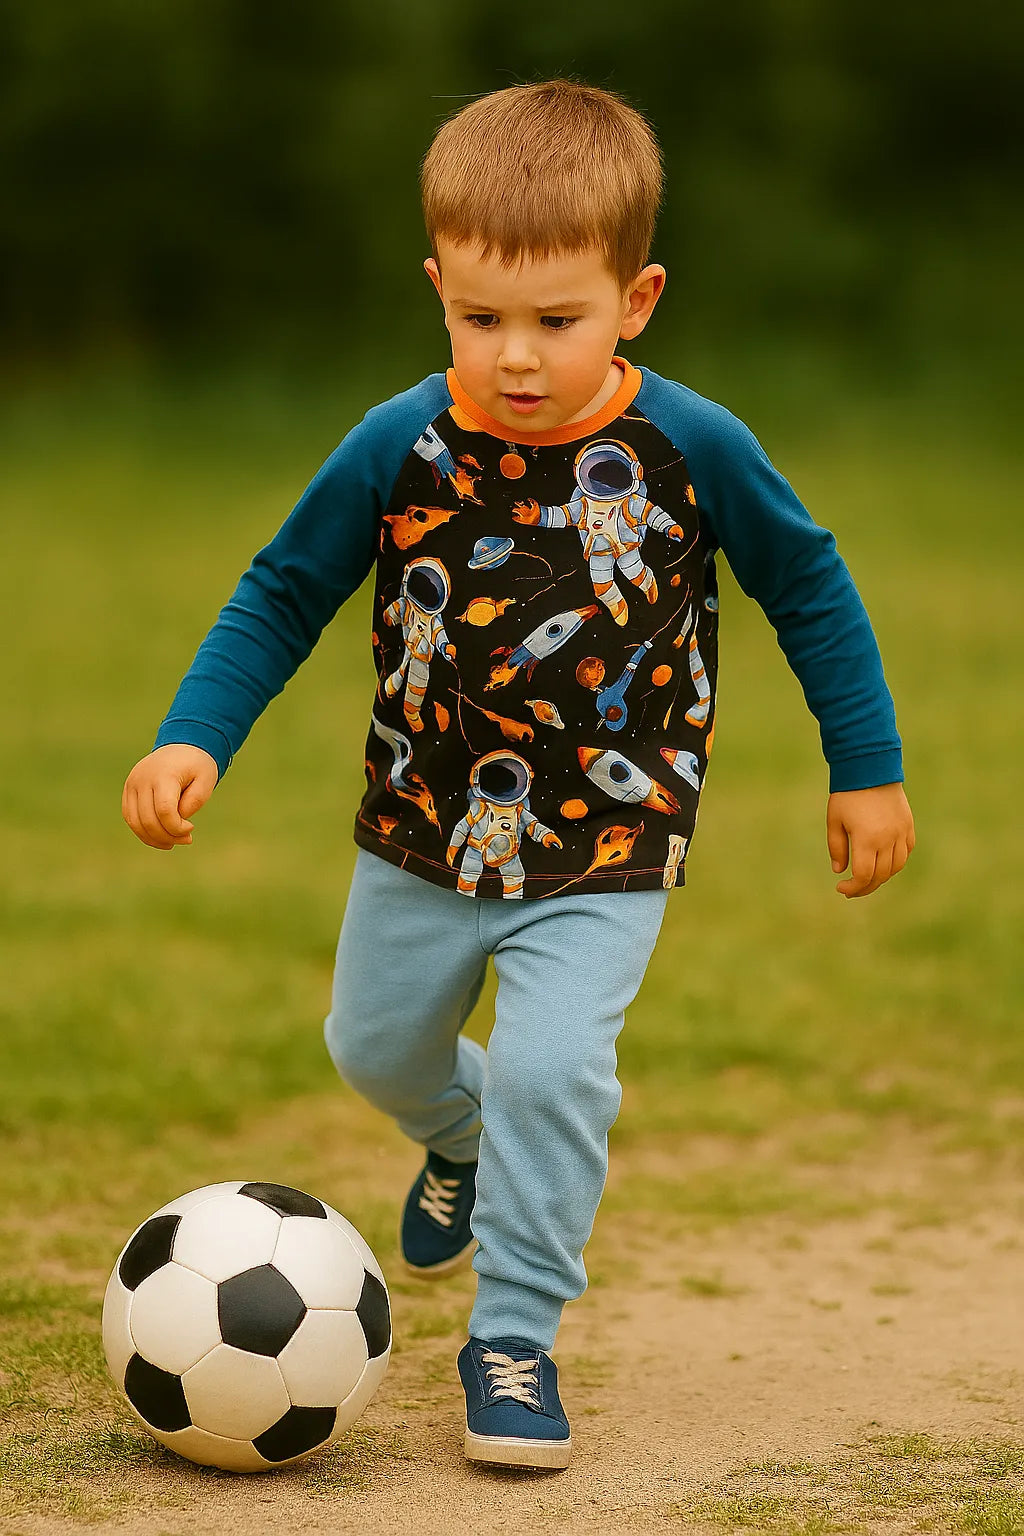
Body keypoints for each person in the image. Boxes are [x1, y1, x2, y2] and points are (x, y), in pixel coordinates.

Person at [121, 79, 915, 1471]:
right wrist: (196, 733)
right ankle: (462, 1139)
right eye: (480, 319)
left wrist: (869, 767)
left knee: (557, 1072)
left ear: (640, 295)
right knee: (372, 1047)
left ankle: (517, 1334)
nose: (519, 356)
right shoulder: (399, 443)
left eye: (559, 320)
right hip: (421, 823)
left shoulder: (691, 448)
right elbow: (280, 592)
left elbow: (814, 590)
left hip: (612, 840)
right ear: (437, 286)